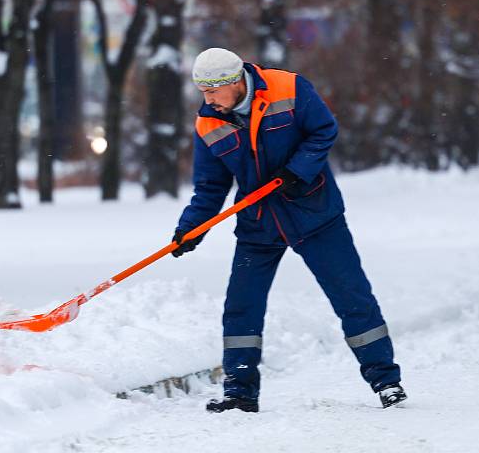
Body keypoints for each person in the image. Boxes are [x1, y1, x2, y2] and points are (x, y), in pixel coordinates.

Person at [171, 47, 406, 412]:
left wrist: (299, 171)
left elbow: (323, 129)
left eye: (212, 91)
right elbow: (210, 187)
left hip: (315, 214)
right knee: (241, 307)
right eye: (202, 92)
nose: (207, 99)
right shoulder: (208, 123)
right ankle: (240, 393)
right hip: (259, 225)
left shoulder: (289, 88)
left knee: (351, 296)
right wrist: (190, 229)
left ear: (234, 82)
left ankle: (386, 381)